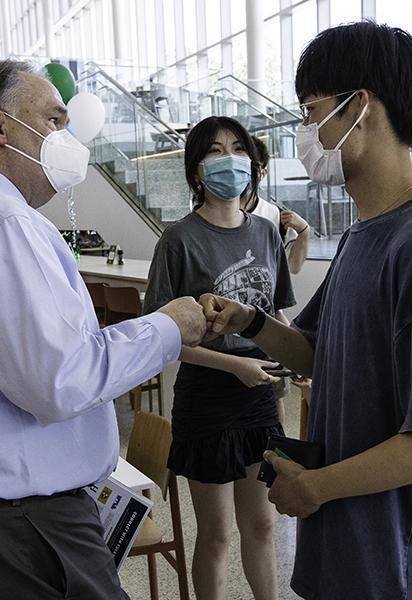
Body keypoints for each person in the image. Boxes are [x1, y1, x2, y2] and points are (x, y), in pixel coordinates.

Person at [0, 59, 207, 600]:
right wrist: (167, 328)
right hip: (17, 518)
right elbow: (60, 380)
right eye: (54, 121)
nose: (66, 138)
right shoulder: (1, 222)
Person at [199, 22, 412, 599]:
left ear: (361, 106)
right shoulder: (365, 234)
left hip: (393, 564)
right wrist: (251, 321)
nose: (305, 130)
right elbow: (315, 352)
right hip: (347, 552)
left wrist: (319, 487)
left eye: (311, 110)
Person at [144, 116, 295, 600]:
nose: (228, 158)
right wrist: (235, 366)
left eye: (237, 148)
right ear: (195, 170)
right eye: (214, 150)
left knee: (263, 524)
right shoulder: (178, 240)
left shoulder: (268, 235)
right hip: (208, 398)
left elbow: (278, 318)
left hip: (261, 398)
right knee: (217, 534)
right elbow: (160, 337)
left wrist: (298, 362)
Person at [240, 136, 310, 274]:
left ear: (263, 173)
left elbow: (293, 267)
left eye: (250, 167)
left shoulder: (275, 216)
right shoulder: (211, 214)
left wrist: (304, 231)